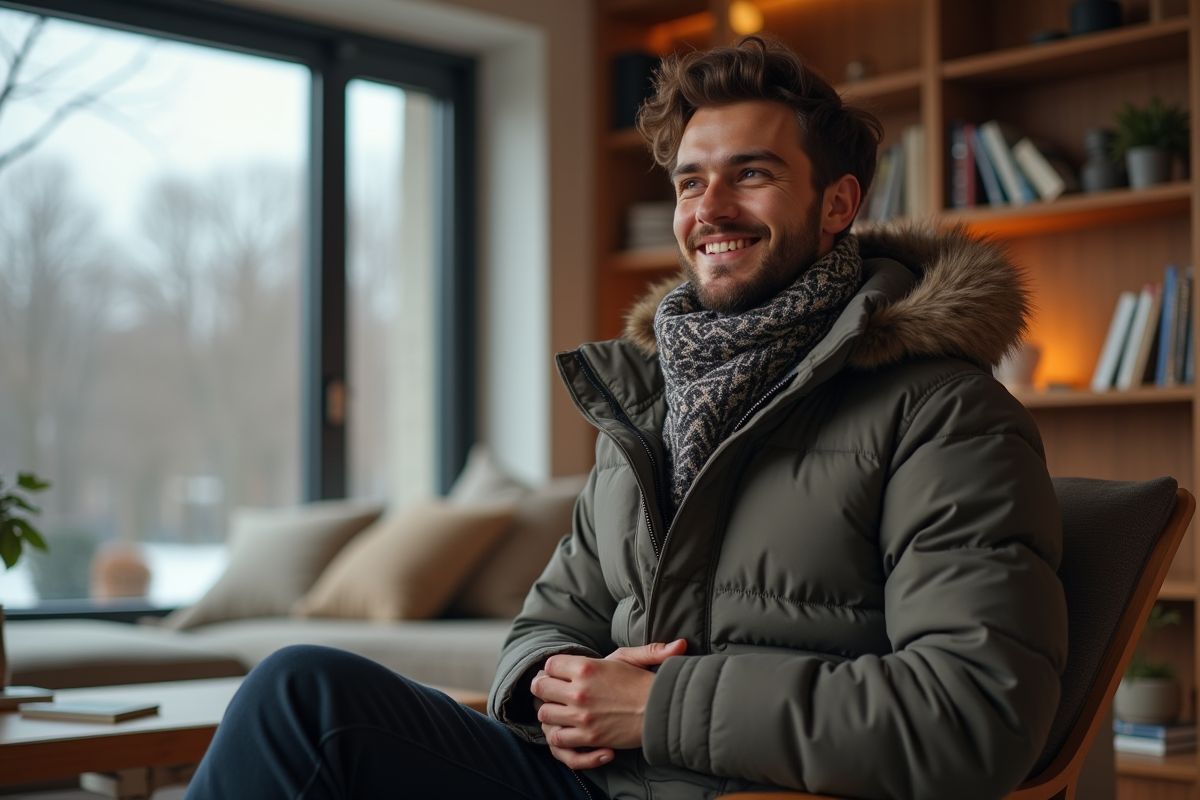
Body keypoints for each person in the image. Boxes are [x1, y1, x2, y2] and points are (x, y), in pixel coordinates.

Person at [184, 36, 1066, 800]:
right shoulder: (652, 402)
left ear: (837, 204)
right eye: (691, 181)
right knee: (301, 695)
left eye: (751, 174)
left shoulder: (945, 416)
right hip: (593, 783)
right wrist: (553, 688)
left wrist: (658, 708)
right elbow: (549, 621)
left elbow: (974, 712)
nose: (709, 209)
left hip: (757, 795)